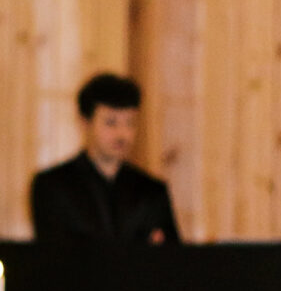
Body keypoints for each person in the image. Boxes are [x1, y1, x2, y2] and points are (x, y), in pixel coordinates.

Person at [31, 73, 180, 244]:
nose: (122, 134)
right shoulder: (53, 187)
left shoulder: (152, 191)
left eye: (130, 123)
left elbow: (173, 258)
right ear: (85, 122)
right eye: (111, 122)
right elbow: (51, 257)